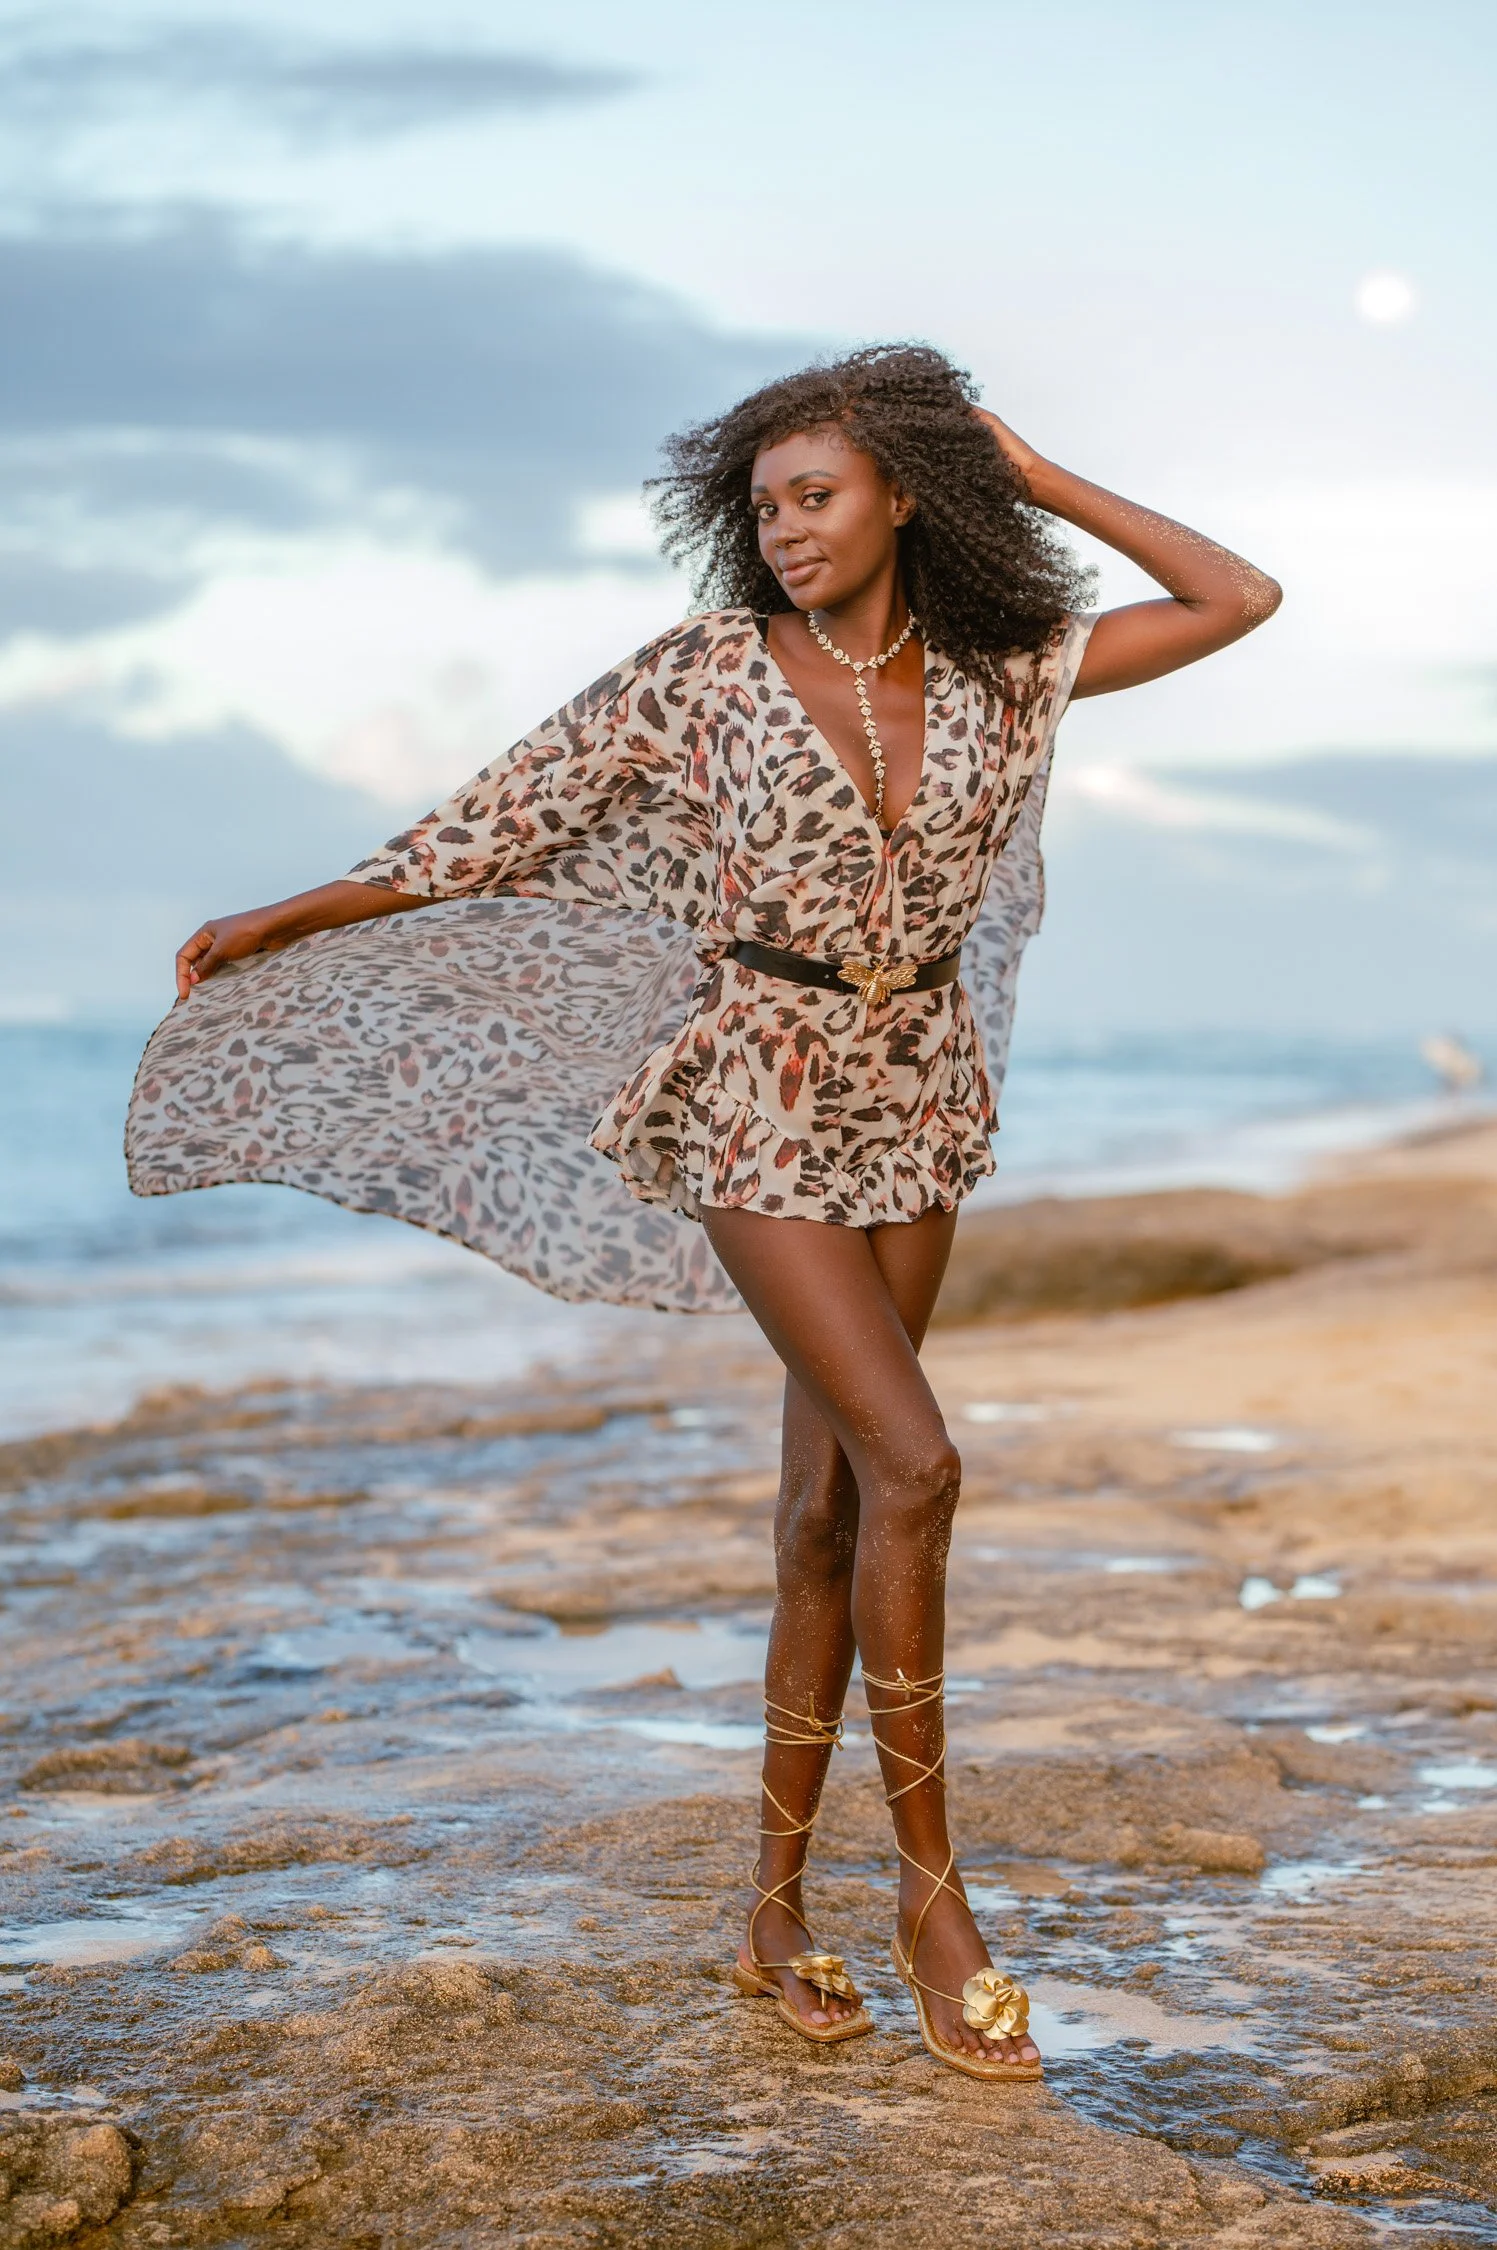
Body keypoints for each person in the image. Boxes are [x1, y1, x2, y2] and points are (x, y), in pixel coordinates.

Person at [128, 344, 1280, 2083]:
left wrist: (1031, 473)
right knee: (921, 1465)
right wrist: (297, 913)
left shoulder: (1000, 675)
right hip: (756, 1081)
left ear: (901, 491)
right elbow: (498, 821)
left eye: (818, 493)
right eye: (764, 506)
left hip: (915, 1087)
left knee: (827, 1505)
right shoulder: (706, 678)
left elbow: (1237, 594)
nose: (788, 527)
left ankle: (767, 1915)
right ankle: (932, 1900)